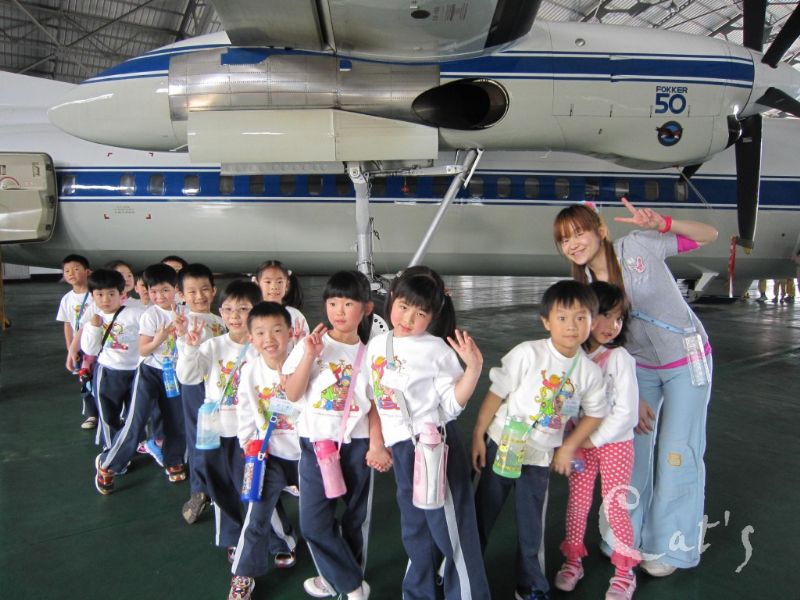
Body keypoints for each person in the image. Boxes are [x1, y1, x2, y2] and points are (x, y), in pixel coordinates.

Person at [553, 198, 717, 577]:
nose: (573, 244)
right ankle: (623, 538)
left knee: (677, 453)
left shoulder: (640, 245)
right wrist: (632, 394)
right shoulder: (584, 289)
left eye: (579, 233)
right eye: (564, 240)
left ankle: (670, 546)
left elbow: (709, 235)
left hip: (686, 359)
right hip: (637, 369)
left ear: (601, 230)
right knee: (630, 453)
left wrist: (665, 223)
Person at [472, 280, 606, 600]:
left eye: (580, 317)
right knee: (481, 514)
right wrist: (478, 434)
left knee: (532, 524)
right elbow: (497, 393)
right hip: (503, 443)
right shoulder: (528, 353)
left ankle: (530, 584)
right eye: (562, 317)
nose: (571, 326)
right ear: (546, 321)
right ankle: (462, 573)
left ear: (592, 321)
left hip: (540, 456)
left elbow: (596, 413)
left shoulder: (588, 372)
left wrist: (569, 445)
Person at [368, 266, 491, 600]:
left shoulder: (436, 349)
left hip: (433, 446)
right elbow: (374, 397)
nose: (408, 318)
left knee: (452, 530)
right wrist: (377, 443)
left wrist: (473, 369)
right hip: (402, 449)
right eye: (404, 306)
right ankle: (419, 592)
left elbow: (451, 404)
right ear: (392, 300)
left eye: (420, 313)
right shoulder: (378, 344)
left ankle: (468, 594)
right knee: (415, 527)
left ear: (433, 316)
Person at [283, 271, 389, 600]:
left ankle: (339, 582)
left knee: (356, 518)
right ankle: (352, 585)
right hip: (316, 445)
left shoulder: (371, 354)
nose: (339, 311)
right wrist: (309, 356)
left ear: (367, 308)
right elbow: (292, 393)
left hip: (357, 446)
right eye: (332, 303)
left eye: (348, 303)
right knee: (314, 523)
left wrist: (377, 444)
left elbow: (375, 405)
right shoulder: (311, 345)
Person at [554, 281, 640, 600]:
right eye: (605, 315)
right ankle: (573, 561)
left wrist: (594, 439)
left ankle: (624, 574)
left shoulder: (619, 358)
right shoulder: (574, 357)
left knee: (615, 505)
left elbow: (627, 413)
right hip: (580, 443)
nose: (612, 325)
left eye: (619, 318)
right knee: (578, 503)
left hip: (615, 444)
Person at [176, 280, 261, 563]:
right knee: (221, 488)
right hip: (216, 431)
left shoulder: (261, 347)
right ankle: (233, 538)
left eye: (243, 309)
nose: (234, 316)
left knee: (254, 487)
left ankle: (276, 535)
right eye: (227, 309)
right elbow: (188, 377)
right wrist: (189, 348)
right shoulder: (212, 345)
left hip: (250, 433)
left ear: (256, 310)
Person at [228, 301, 302, 600]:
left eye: (276, 330)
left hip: (306, 454)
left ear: (290, 332)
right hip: (269, 456)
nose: (269, 339)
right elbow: (245, 409)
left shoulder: (304, 363)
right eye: (260, 332)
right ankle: (243, 575)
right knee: (256, 515)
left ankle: (332, 568)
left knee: (319, 517)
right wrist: (247, 441)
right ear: (251, 338)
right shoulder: (250, 371)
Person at [93, 263, 187, 493]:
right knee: (136, 420)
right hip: (149, 372)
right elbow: (144, 350)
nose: (159, 296)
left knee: (175, 420)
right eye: (153, 291)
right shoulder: (151, 315)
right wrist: (159, 339)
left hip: (175, 374)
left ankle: (173, 460)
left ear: (176, 289)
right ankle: (108, 465)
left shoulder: (184, 312)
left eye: (165, 290)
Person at [174, 264, 226, 524]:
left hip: (219, 384)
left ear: (213, 291)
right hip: (196, 385)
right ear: (181, 294)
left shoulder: (220, 320)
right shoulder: (184, 321)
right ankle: (199, 491)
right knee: (199, 436)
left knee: (221, 434)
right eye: (192, 291)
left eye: (204, 289)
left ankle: (218, 483)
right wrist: (183, 335)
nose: (199, 296)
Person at [81, 269, 144, 480]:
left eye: (111, 294)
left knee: (133, 414)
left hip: (135, 371)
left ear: (121, 293)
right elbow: (90, 349)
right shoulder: (93, 319)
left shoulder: (135, 314)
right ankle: (111, 450)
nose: (105, 299)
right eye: (99, 294)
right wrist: (94, 328)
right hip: (108, 372)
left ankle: (128, 446)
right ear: (92, 296)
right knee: (108, 413)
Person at [56, 254, 97, 429]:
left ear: (88, 272)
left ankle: (108, 411)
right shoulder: (67, 299)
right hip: (79, 347)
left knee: (101, 379)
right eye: (67, 271)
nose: (71, 273)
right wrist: (70, 348)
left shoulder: (96, 295)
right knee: (85, 379)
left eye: (76, 269)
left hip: (96, 344)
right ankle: (92, 414)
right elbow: (67, 324)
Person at [253, 260, 309, 342]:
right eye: (268, 282)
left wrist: (298, 341)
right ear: (257, 284)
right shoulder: (251, 314)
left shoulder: (295, 315)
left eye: (279, 282)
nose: (274, 287)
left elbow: (305, 344)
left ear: (287, 285)